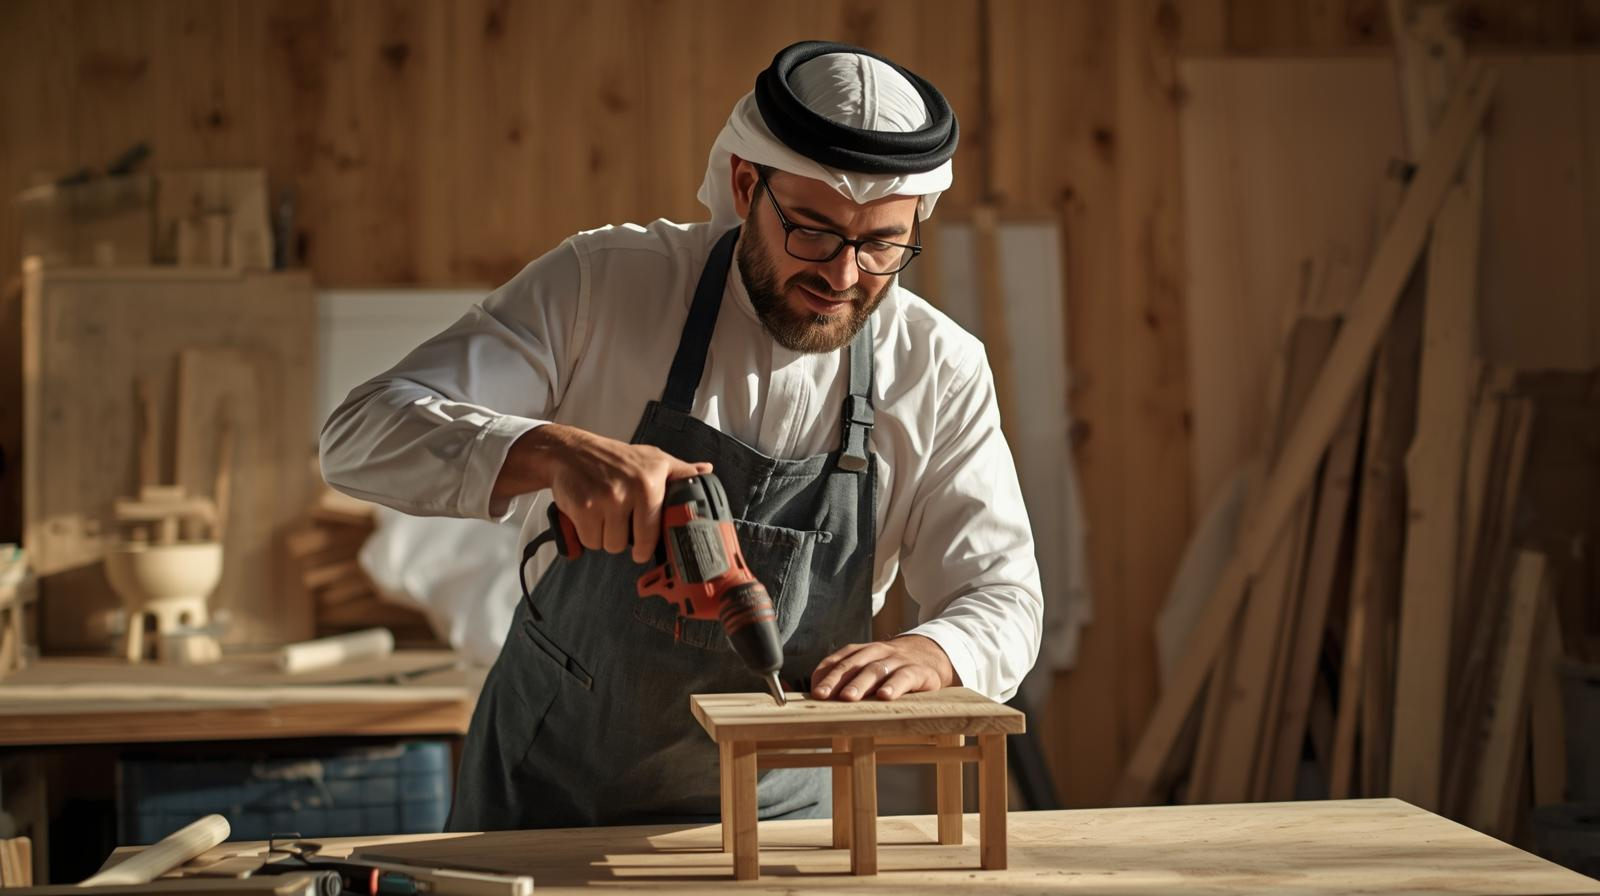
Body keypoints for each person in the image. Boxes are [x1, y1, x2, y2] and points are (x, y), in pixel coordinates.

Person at [320, 40, 1043, 831]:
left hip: (779, 823)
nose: (841, 277)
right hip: (544, 800)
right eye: (812, 231)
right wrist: (549, 452)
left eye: (880, 246)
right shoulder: (604, 284)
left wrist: (937, 651)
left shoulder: (937, 367)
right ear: (744, 185)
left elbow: (1002, 596)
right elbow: (359, 434)